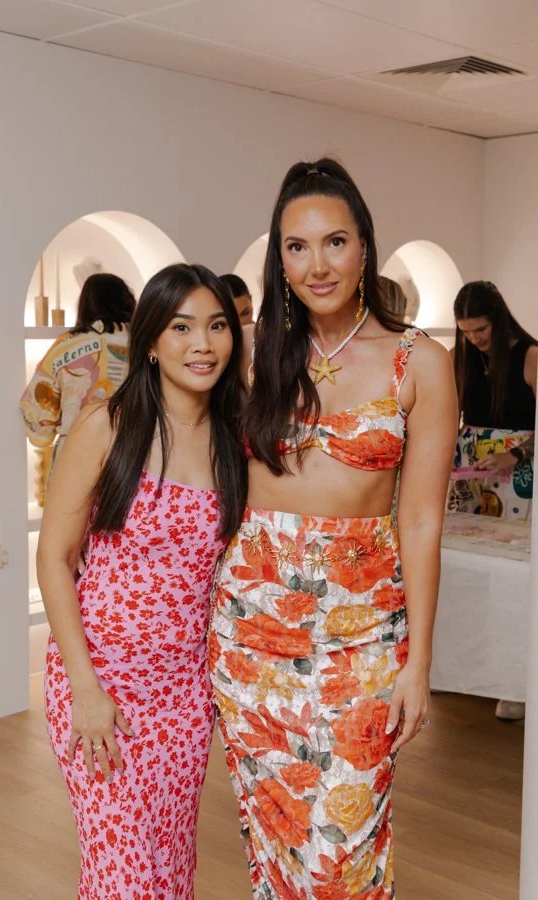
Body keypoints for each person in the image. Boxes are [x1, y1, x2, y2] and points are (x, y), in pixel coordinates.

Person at [209, 159, 458, 898]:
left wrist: (419, 663)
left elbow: (418, 517)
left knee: (342, 849)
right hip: (250, 631)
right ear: (278, 259)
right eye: (296, 246)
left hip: (363, 634)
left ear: (364, 248)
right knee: (275, 840)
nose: (317, 264)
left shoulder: (422, 362)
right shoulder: (249, 357)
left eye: (335, 242)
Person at [38, 263, 247, 899]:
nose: (202, 344)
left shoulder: (236, 443)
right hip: (100, 683)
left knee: (169, 864)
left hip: (185, 693)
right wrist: (86, 689)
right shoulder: (108, 426)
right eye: (181, 327)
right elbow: (53, 557)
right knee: (120, 874)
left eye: (216, 326)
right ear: (151, 340)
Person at [449, 280, 537, 721]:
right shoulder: (461, 358)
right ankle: (467, 671)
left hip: (518, 478)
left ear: (498, 319)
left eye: (480, 330)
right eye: (465, 331)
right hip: (471, 476)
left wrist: (515, 453)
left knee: (514, 581)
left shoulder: (531, 356)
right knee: (469, 576)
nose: (474, 339)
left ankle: (517, 683)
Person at [20, 273, 136, 482]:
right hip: (137, 461)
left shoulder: (66, 346)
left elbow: (37, 416)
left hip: (76, 461)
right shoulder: (151, 347)